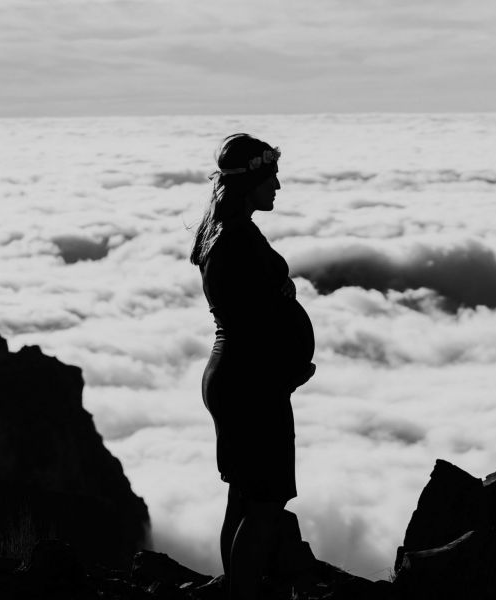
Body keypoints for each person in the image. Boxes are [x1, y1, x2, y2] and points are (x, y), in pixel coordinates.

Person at [190, 133, 316, 599]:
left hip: (235, 377)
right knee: (265, 504)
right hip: (251, 383)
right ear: (251, 182)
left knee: (243, 497)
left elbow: (250, 311)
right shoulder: (237, 237)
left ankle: (236, 591)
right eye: (271, 176)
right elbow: (255, 321)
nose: (278, 185)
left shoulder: (222, 230)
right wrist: (285, 368)